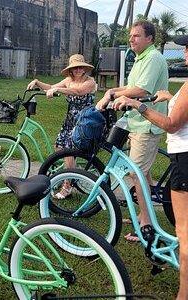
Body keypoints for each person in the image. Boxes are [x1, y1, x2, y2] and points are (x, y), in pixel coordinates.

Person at [113, 34, 188, 300]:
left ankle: (183, 294)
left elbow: (171, 124)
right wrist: (170, 95)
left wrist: (139, 107)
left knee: (184, 235)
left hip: (183, 159)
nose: (187, 52)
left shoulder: (158, 60)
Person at [96, 20, 168, 242]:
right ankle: (143, 214)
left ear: (149, 38)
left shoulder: (153, 58)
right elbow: (129, 88)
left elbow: (141, 90)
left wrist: (114, 95)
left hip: (146, 125)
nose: (131, 39)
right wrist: (111, 92)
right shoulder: (140, 58)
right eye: (131, 36)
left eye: (136, 35)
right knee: (142, 174)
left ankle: (147, 223)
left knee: (134, 174)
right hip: (136, 122)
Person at [27, 54, 97, 199]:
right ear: (70, 70)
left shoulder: (90, 82)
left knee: (68, 152)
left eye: (80, 67)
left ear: (84, 68)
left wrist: (58, 90)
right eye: (74, 68)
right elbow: (51, 87)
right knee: (60, 147)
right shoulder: (68, 80)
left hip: (84, 121)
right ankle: (71, 174)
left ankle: (67, 185)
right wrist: (37, 82)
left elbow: (78, 92)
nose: (78, 70)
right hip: (70, 120)